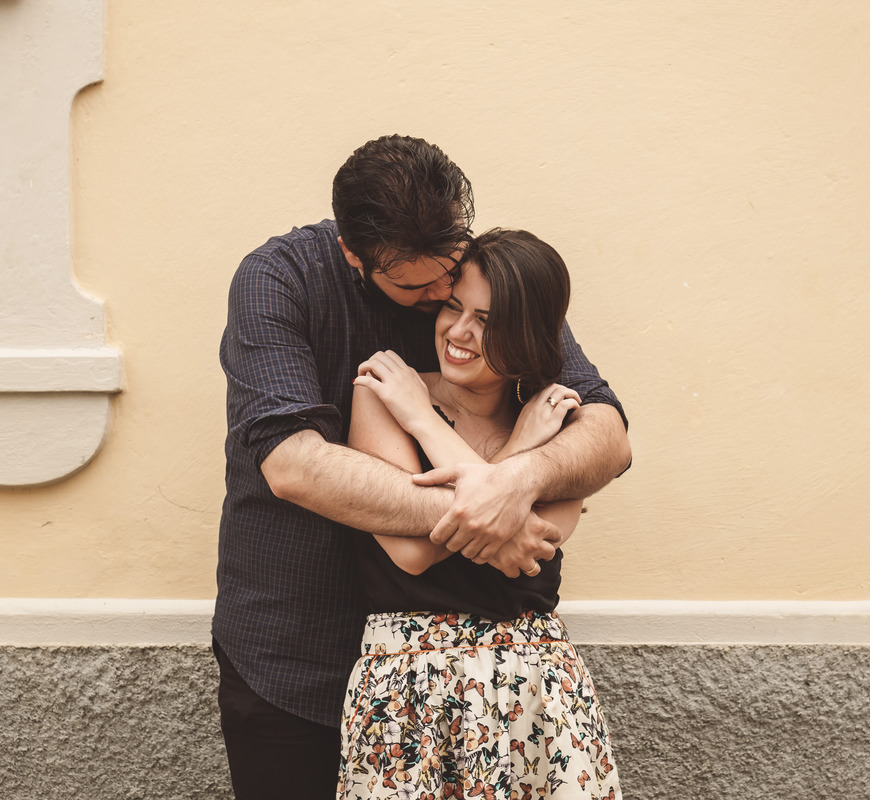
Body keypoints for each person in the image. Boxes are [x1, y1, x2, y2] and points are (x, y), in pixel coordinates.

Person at [215, 136, 630, 800]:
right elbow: (294, 464)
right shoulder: (279, 280)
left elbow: (606, 433)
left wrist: (516, 481)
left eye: (452, 268)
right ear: (355, 256)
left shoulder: (481, 281)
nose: (445, 295)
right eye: (423, 287)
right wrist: (502, 521)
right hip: (295, 656)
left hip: (501, 685)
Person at [338, 228, 620, 799]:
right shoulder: (387, 391)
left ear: (528, 335)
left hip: (536, 691)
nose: (459, 332)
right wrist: (432, 421)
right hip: (408, 692)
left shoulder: (556, 421)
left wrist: (438, 430)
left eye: (487, 321)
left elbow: (535, 543)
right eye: (452, 306)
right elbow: (411, 553)